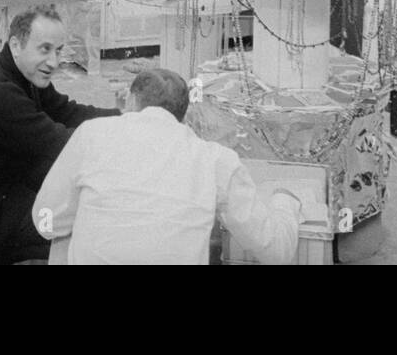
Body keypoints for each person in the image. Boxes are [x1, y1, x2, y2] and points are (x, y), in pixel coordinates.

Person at [32, 68, 302, 264]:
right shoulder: (214, 159)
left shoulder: (91, 133)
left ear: (130, 100)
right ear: (183, 114)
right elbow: (275, 250)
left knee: (62, 236)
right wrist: (285, 202)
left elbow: (45, 219)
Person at [0, 8, 118, 264]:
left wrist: (126, 116)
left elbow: (67, 112)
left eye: (58, 50)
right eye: (44, 49)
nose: (54, 62)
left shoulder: (23, 73)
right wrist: (124, 139)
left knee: (65, 193)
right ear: (16, 45)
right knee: (74, 220)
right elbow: (62, 145)